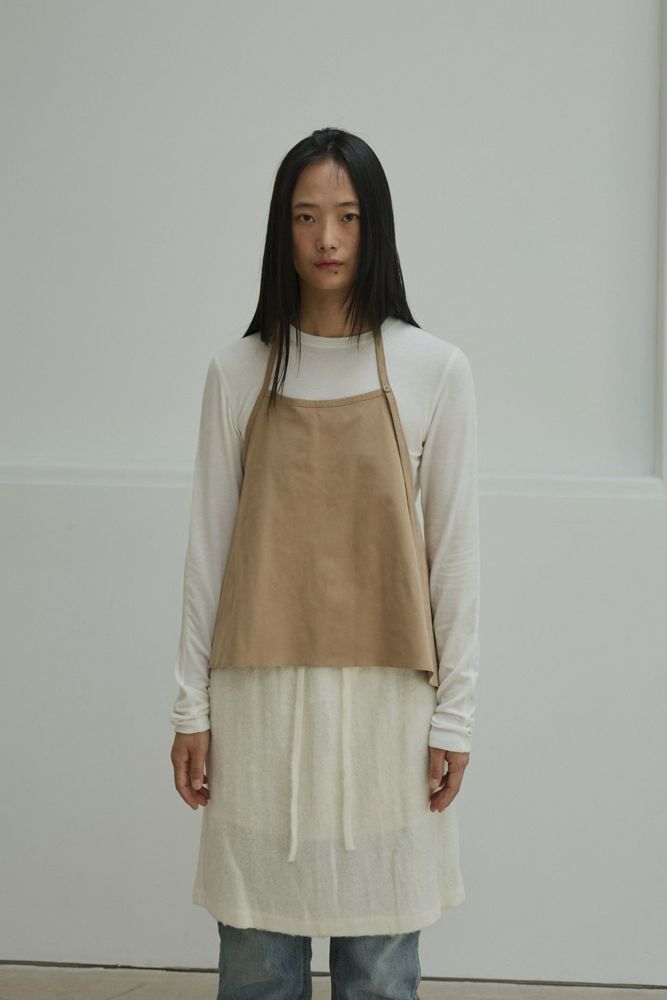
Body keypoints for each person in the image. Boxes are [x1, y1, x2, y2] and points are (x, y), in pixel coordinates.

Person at [169, 126, 480, 1000]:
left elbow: (453, 555)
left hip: (386, 711)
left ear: (375, 226)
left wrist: (454, 717)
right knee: (256, 966)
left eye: (347, 216)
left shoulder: (433, 369)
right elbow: (207, 550)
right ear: (282, 230)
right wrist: (190, 706)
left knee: (379, 970)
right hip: (258, 708)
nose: (328, 239)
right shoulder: (238, 372)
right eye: (305, 217)